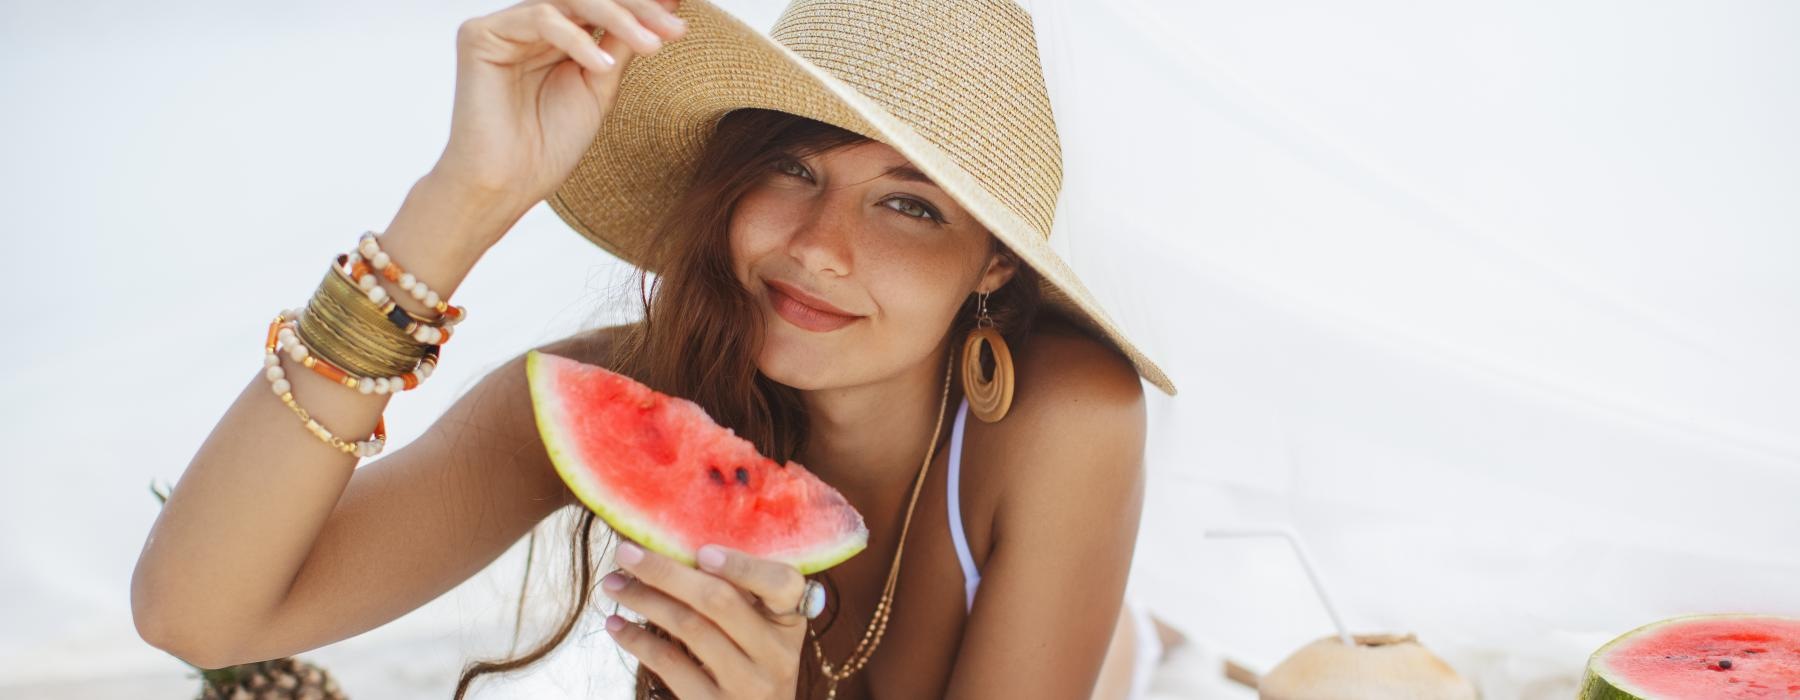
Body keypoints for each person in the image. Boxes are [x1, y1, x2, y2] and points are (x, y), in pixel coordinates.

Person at [130, 0, 1188, 697]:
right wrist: (462, 199)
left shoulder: (1067, 412)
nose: (820, 251)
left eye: (909, 207)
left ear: (993, 267)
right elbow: (196, 613)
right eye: (794, 169)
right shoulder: (613, 392)